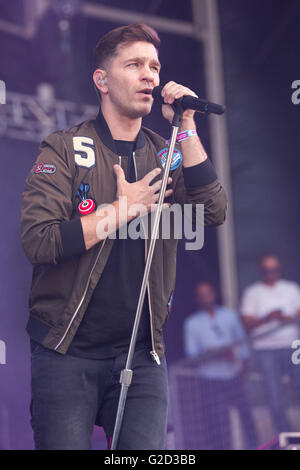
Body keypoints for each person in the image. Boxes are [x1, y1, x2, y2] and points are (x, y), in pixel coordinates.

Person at [20, 24, 227, 450]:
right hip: (66, 350)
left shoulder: (165, 151)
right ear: (102, 80)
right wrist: (121, 210)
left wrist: (185, 124)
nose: (149, 75)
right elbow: (39, 240)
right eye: (134, 65)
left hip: (142, 356)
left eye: (154, 66)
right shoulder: (63, 146)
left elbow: (212, 211)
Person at [183, 282, 256, 449]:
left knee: (246, 415)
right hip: (210, 378)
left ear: (214, 294)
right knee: (216, 422)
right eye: (201, 294)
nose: (205, 297)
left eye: (208, 293)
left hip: (234, 374)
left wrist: (244, 368)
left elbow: (242, 344)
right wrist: (214, 353)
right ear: (197, 299)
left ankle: (256, 446)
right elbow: (191, 354)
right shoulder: (192, 323)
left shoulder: (229, 316)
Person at [240, 254, 300, 433]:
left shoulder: (291, 288)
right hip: (265, 350)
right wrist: (267, 318)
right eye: (267, 270)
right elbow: (246, 323)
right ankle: (284, 436)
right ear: (260, 271)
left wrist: (285, 318)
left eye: (274, 270)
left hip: (292, 345)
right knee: (275, 396)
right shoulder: (252, 292)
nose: (271, 274)